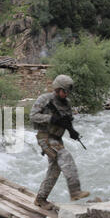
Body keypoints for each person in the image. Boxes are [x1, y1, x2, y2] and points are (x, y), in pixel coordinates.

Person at [30, 75, 90, 210]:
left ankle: (40, 199)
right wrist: (51, 119)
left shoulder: (66, 103)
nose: (66, 94)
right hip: (45, 137)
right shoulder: (45, 100)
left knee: (54, 170)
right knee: (66, 157)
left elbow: (67, 121)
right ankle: (75, 192)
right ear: (57, 89)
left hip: (57, 138)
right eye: (64, 91)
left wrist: (72, 131)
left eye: (68, 92)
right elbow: (33, 116)